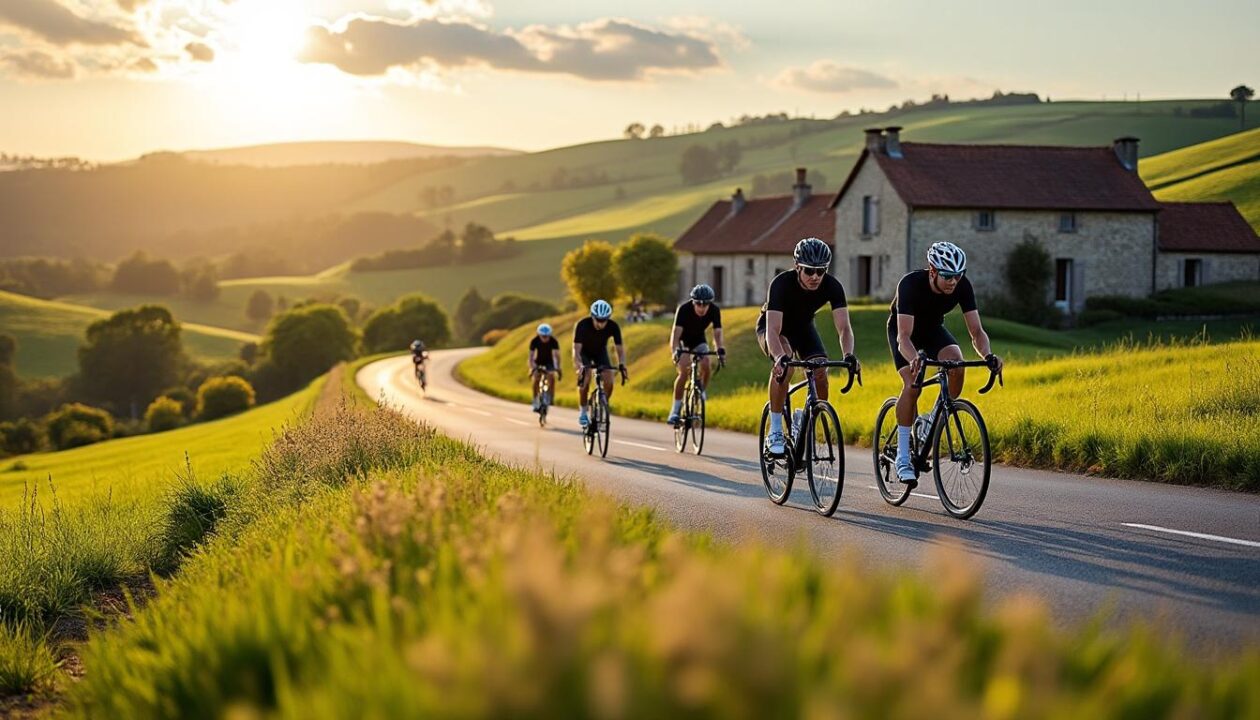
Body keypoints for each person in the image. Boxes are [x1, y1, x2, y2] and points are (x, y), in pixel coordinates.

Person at [888, 241, 1004, 486]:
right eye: (948, 276)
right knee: (913, 384)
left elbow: (976, 331)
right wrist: (915, 358)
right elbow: (903, 338)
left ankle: (931, 418)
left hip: (932, 330)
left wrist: (988, 355)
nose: (953, 281)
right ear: (932, 271)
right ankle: (903, 456)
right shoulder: (910, 285)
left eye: (958, 275)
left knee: (957, 363)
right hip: (905, 334)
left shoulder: (962, 286)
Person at [756, 237, 860, 455]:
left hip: (803, 328)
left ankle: (805, 422)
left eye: (820, 272)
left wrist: (849, 354)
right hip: (774, 329)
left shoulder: (832, 286)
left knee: (820, 370)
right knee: (786, 367)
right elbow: (773, 330)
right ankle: (775, 430)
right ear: (797, 267)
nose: (815, 277)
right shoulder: (781, 284)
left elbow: (844, 328)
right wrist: (778, 358)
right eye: (809, 271)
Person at [667, 284, 725, 425]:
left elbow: (717, 333)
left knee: (706, 364)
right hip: (683, 342)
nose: (702, 307)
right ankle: (675, 410)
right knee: (683, 371)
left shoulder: (714, 310)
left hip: (699, 340)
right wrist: (675, 351)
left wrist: (720, 350)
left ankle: (700, 391)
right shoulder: (684, 309)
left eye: (705, 304)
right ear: (693, 302)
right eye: (698, 303)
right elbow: (675, 335)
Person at [572, 299, 628, 428]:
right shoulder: (582, 325)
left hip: (600, 352)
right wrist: (579, 365)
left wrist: (622, 364)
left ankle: (602, 406)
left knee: (609, 379)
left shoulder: (613, 326)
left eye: (604, 320)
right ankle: (583, 412)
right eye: (598, 320)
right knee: (585, 378)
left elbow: (619, 348)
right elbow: (576, 350)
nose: (601, 323)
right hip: (584, 353)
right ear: (592, 316)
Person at [527, 323, 561, 412]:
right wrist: (532, 368)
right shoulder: (534, 341)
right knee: (536, 379)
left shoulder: (553, 341)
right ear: (539, 335)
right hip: (537, 361)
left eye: (547, 336)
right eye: (543, 336)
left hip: (549, 362)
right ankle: (535, 401)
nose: (545, 338)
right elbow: (531, 357)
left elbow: (557, 356)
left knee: (551, 377)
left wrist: (557, 368)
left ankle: (550, 397)